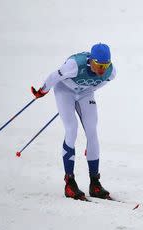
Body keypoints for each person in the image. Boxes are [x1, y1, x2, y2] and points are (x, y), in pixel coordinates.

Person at [31, 43, 116, 201]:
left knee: (92, 131)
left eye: (106, 65)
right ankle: (69, 183)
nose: (102, 70)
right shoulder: (74, 65)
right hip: (64, 91)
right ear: (91, 61)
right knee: (72, 129)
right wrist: (42, 90)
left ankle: (95, 183)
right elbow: (53, 77)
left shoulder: (110, 73)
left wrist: (83, 90)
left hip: (85, 93)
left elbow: (99, 83)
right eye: (99, 65)